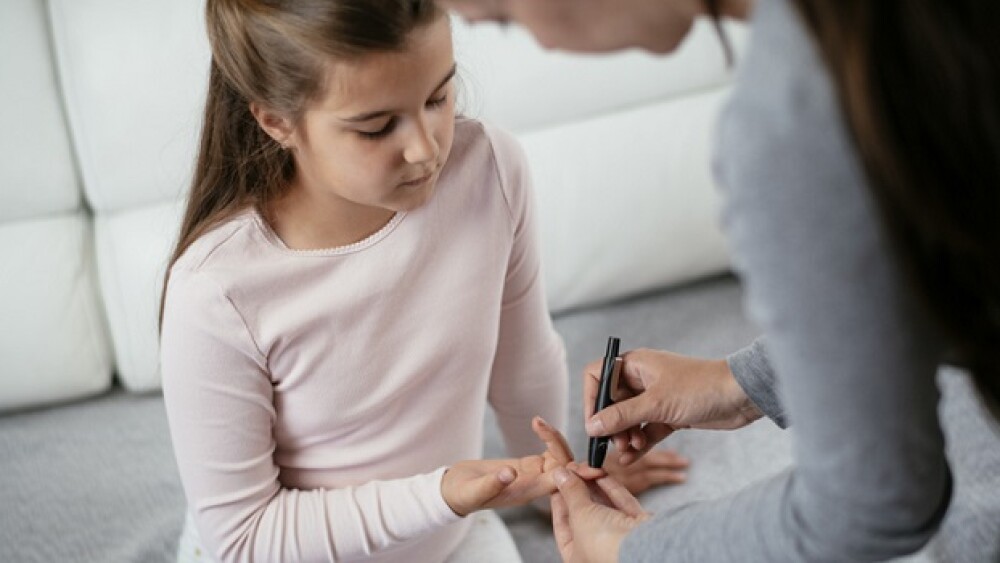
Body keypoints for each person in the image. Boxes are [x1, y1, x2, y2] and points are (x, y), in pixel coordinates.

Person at [438, 0, 1000, 561]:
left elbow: (874, 501)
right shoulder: (875, 46)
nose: (544, 47)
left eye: (507, 19)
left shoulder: (791, 120)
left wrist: (638, 551)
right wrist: (741, 384)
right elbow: (933, 278)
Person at [158, 1, 691, 562]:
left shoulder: (490, 170)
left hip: (453, 536)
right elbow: (244, 538)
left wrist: (560, 482)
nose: (427, 149)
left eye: (438, 96)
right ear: (276, 121)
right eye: (377, 127)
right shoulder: (215, 292)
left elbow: (524, 359)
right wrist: (441, 494)